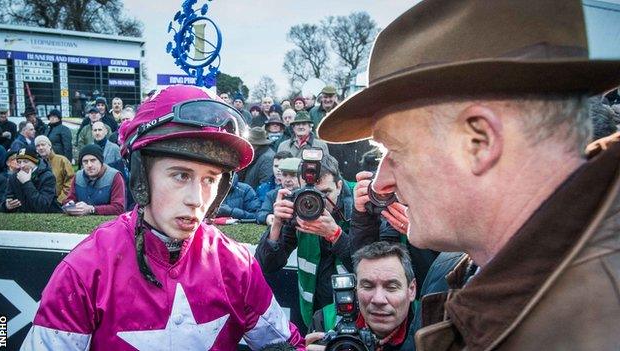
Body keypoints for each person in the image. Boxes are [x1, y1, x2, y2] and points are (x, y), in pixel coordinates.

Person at [317, 0, 620, 349]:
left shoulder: (591, 325)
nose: (381, 183)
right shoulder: (471, 271)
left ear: (479, 141)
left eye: (395, 151)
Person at [22, 84, 304, 350]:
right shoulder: (84, 270)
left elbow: (286, 344)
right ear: (141, 177)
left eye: (210, 179)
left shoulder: (237, 265)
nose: (196, 199)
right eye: (181, 175)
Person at [255, 154, 354, 329]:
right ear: (300, 188)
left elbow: (371, 264)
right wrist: (277, 224)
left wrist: (336, 235)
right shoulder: (298, 208)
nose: (318, 203)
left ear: (339, 186)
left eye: (324, 194)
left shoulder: (358, 206)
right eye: (310, 195)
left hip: (355, 310)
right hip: (312, 311)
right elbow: (267, 266)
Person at [306, 241, 417, 350]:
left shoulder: (427, 322)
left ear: (411, 290)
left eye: (391, 287)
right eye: (368, 286)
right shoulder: (326, 320)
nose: (378, 299)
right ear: (355, 289)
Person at [62, 144, 125, 216]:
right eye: (85, 161)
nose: (89, 165)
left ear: (101, 161)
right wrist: (71, 206)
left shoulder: (115, 176)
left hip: (108, 224)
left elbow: (119, 208)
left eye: (93, 160)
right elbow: (69, 200)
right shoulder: (78, 176)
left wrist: (91, 209)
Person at [0, 147, 61, 213]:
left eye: (26, 161)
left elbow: (42, 206)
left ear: (34, 162)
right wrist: (7, 206)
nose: (22, 165)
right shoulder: (14, 177)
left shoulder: (47, 177)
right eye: (19, 162)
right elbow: (4, 201)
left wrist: (27, 183)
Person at [256, 156, 300, 225]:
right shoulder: (272, 194)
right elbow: (261, 214)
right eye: (284, 175)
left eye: (293, 175)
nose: (287, 180)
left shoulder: (308, 194)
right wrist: (268, 217)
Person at [35, 135, 75, 203]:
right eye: (38, 146)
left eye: (43, 144)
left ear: (50, 146)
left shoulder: (62, 160)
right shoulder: (35, 164)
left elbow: (70, 182)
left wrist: (60, 200)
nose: (41, 148)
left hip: (60, 202)